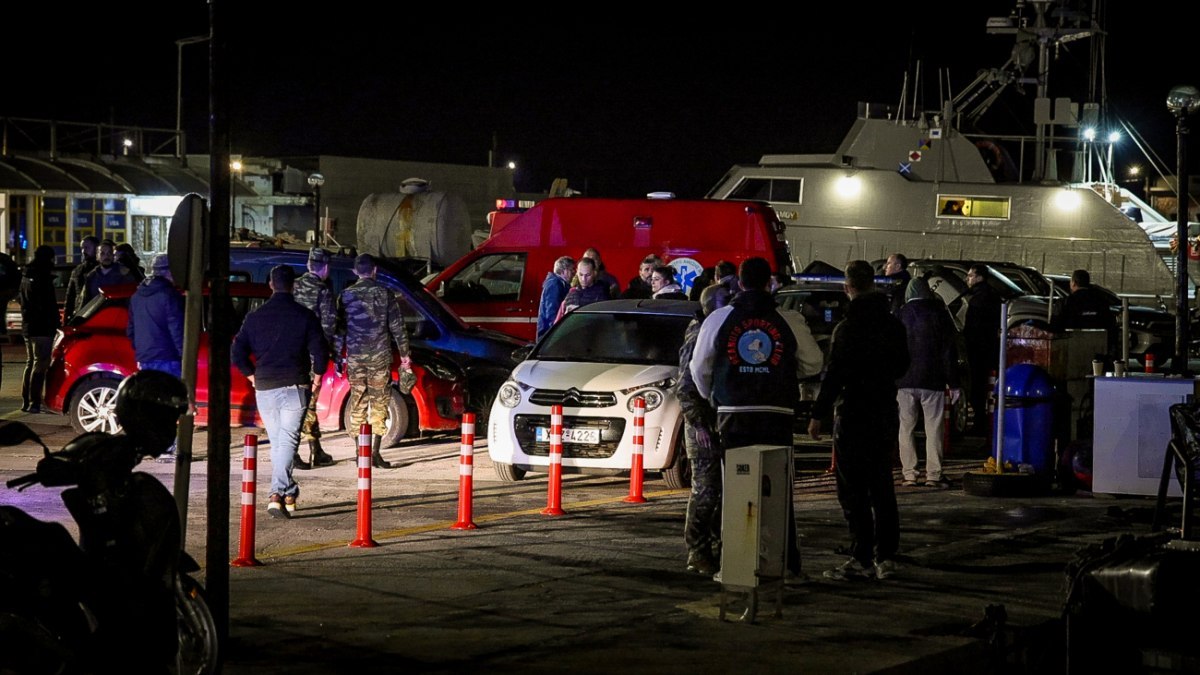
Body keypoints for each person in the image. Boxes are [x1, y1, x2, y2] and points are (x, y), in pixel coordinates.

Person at [691, 257, 824, 579]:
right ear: (770, 283)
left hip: (734, 414)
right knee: (778, 489)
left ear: (739, 282)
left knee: (735, 489)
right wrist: (784, 373)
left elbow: (699, 368)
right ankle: (785, 564)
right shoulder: (788, 318)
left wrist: (715, 395)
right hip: (776, 413)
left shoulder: (719, 318)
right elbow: (814, 362)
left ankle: (735, 564)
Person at [808, 260, 909, 581]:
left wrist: (818, 413)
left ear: (847, 287)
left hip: (853, 411)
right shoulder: (892, 325)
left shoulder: (847, 327)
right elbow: (902, 364)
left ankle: (862, 554)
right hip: (884, 409)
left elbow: (835, 373)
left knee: (852, 488)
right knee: (882, 484)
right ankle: (886, 555)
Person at [233, 265, 328, 519]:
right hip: (295, 386)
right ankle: (276, 493)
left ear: (271, 285)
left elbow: (237, 352)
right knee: (287, 441)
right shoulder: (305, 316)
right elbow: (320, 352)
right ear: (293, 286)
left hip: (265, 388)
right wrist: (317, 379)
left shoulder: (255, 317)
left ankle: (289, 492)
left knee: (278, 442)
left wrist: (252, 376)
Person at [335, 254, 413, 469]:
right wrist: (405, 356)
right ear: (375, 270)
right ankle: (375, 453)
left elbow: (339, 330)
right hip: (380, 357)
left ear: (355, 271)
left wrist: (337, 356)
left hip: (355, 358)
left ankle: (360, 453)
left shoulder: (345, 295)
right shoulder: (386, 294)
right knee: (380, 401)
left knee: (358, 401)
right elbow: (398, 328)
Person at [895, 276, 960, 488]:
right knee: (934, 428)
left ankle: (909, 474)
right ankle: (933, 474)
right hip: (932, 379)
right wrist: (954, 382)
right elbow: (948, 351)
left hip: (904, 380)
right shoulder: (939, 314)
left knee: (906, 427)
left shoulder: (900, 314)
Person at [675, 285, 723, 575]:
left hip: (711, 421)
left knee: (717, 491)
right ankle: (697, 551)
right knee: (705, 491)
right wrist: (699, 424)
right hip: (701, 426)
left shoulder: (709, 329)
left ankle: (713, 547)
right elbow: (685, 385)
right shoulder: (699, 334)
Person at [126, 254, 185, 461]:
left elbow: (131, 330)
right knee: (170, 404)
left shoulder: (137, 296)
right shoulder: (169, 295)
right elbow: (177, 329)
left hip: (146, 358)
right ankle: (167, 445)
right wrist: (184, 355)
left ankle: (154, 444)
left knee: (152, 404)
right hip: (168, 357)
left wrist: (141, 350)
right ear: (168, 272)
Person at [292, 247, 339, 470]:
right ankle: (294, 452)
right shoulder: (323, 291)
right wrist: (329, 353)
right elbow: (328, 327)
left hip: (291, 353)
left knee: (302, 402)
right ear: (326, 267)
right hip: (311, 355)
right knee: (306, 403)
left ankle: (315, 449)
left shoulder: (294, 286)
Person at [18, 245, 60, 413]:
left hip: (29, 326)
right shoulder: (42, 277)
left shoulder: (26, 276)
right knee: (40, 364)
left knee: (31, 363)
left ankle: (27, 400)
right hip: (42, 327)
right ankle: (35, 401)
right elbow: (47, 305)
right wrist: (55, 323)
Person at [963, 264, 1002, 435]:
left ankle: (979, 423)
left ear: (979, 277)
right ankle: (988, 420)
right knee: (988, 385)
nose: (967, 279)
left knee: (977, 385)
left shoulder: (978, 299)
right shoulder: (993, 295)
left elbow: (973, 327)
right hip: (990, 346)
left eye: (970, 275)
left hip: (978, 348)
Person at [1055, 269, 1118, 358]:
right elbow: (1110, 324)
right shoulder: (1101, 302)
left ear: (1073, 283)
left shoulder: (1065, 303)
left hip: (1072, 350)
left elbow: (1056, 325)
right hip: (1098, 352)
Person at [78, 239, 136, 312]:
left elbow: (131, 300)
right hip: (97, 316)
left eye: (109, 253)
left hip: (118, 315)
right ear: (97, 256)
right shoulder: (91, 276)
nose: (106, 256)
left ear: (113, 255)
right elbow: (85, 301)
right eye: (102, 253)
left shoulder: (124, 273)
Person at [537, 256, 575, 340]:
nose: (574, 272)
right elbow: (552, 311)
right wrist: (556, 331)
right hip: (549, 334)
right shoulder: (555, 284)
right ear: (563, 270)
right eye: (571, 269)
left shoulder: (557, 283)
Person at [64, 234, 100, 322]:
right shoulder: (78, 270)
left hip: (97, 313)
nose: (83, 251)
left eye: (87, 247)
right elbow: (70, 296)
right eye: (82, 248)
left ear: (96, 249)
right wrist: (67, 316)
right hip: (80, 313)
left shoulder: (102, 270)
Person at [0, 246, 20, 339]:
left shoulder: (5, 260)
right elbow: (16, 275)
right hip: (6, 291)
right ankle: (2, 330)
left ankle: (2, 330)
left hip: (5, 290)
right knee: (2, 311)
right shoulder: (5, 259)